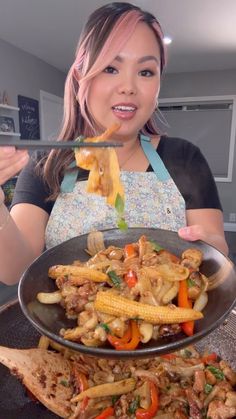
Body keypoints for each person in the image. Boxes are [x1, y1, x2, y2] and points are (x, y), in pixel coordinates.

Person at [0, 2, 228, 285]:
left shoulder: (185, 158)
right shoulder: (47, 165)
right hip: (69, 325)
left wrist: (212, 246)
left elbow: (217, 244)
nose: (128, 87)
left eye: (145, 72)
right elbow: (14, 272)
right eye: (110, 68)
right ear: (81, 77)